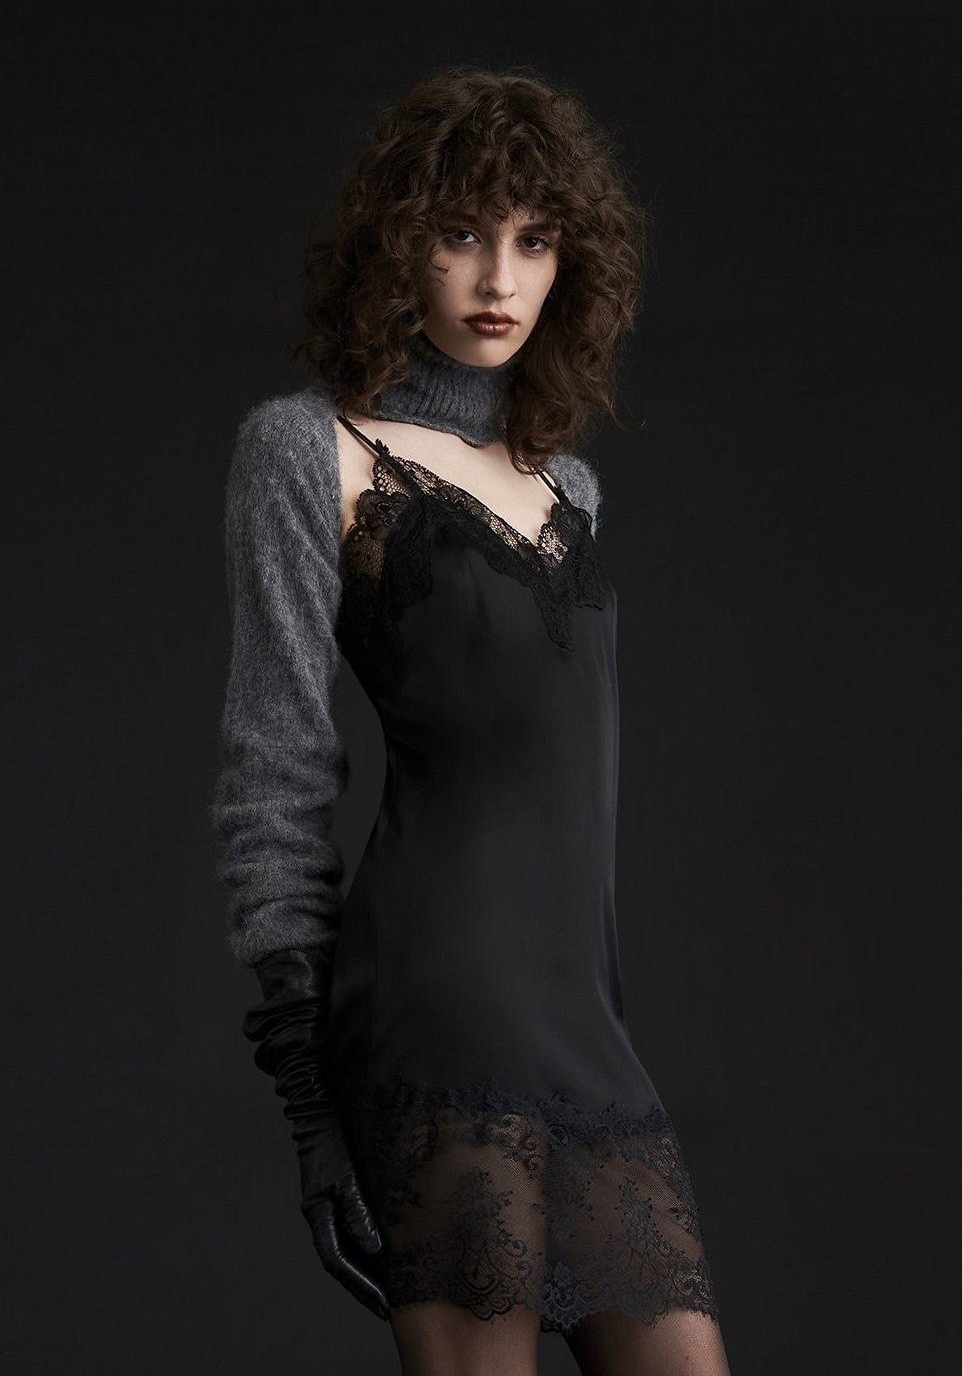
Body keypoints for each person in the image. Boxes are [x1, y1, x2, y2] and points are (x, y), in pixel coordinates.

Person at [209, 66, 733, 1376]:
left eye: (534, 241)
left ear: (572, 265)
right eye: (460, 234)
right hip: (435, 1002)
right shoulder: (308, 450)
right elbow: (275, 773)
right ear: (398, 246)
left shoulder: (569, 489)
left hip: (581, 1017)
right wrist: (308, 1101)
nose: (499, 278)